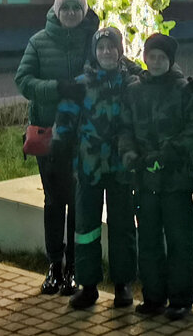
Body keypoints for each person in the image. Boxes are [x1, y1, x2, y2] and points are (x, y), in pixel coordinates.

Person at [14, 0, 98, 296]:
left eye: (77, 8)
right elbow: (23, 81)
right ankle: (54, 265)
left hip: (83, 134)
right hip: (49, 133)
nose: (72, 13)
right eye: (66, 8)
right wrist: (57, 88)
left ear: (84, 11)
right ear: (56, 11)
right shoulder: (38, 42)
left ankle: (74, 266)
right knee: (54, 200)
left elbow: (111, 67)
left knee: (77, 201)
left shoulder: (94, 42)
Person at [122, 33, 193, 321]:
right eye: (152, 56)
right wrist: (131, 155)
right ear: (144, 58)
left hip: (175, 180)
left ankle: (181, 299)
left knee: (179, 239)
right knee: (148, 240)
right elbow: (124, 129)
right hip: (144, 180)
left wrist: (169, 153)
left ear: (170, 61)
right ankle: (153, 295)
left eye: (162, 58)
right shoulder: (134, 91)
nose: (156, 62)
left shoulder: (184, 91)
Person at [51, 26, 140, 311]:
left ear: (120, 50)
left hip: (120, 167)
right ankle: (88, 285)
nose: (106, 53)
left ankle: (123, 284)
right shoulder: (81, 83)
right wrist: (60, 148)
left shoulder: (131, 82)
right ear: (94, 52)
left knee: (123, 226)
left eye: (111, 47)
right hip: (88, 166)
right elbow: (65, 118)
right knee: (86, 227)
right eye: (101, 48)